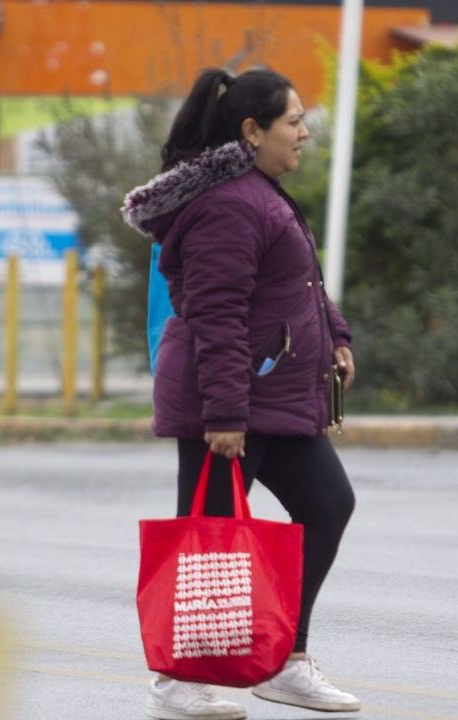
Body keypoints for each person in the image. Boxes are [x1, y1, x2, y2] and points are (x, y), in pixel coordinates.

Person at [123, 67, 360, 720]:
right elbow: (217, 313)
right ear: (253, 131)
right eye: (293, 121)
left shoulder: (263, 193)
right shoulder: (230, 204)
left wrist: (335, 335)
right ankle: (175, 680)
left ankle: (287, 660)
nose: (304, 132)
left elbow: (299, 283)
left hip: (271, 395)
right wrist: (225, 413)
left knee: (328, 503)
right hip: (227, 401)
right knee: (209, 539)